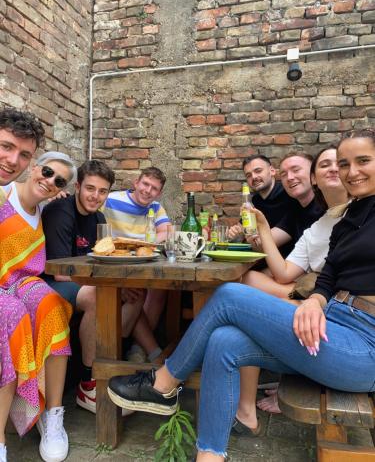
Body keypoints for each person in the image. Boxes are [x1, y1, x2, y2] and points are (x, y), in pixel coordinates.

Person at [107, 129, 375, 462]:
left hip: (366, 346)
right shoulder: (346, 218)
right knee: (224, 340)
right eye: (345, 163)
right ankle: (210, 456)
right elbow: (331, 273)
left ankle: (163, 382)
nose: (351, 172)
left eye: (363, 161)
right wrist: (318, 301)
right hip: (333, 320)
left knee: (230, 293)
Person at [241, 146, 349, 415]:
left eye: (339, 163)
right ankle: (248, 406)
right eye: (325, 165)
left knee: (237, 307)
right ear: (316, 178)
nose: (290, 177)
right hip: (316, 292)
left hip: (342, 308)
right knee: (245, 286)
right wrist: (262, 229)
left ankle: (169, 380)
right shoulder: (316, 223)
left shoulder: (361, 213)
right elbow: (285, 271)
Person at [0, 151, 76, 462]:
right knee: (12, 315)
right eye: (46, 172)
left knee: (53, 307)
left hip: (21, 283)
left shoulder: (43, 209)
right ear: (33, 168)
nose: (49, 182)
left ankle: (52, 413)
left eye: (58, 181)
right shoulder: (3, 194)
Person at [41, 160, 115, 414]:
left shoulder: (99, 218)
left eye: (102, 191)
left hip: (80, 282)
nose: (96, 196)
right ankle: (88, 383)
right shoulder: (60, 211)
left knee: (129, 295)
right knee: (97, 295)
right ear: (78, 186)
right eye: (90, 189)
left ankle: (113, 366)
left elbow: (104, 261)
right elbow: (61, 274)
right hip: (49, 283)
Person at [103, 167, 171, 363]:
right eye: (145, 184)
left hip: (141, 262)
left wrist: (140, 244)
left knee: (160, 288)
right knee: (136, 291)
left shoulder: (156, 208)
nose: (148, 190)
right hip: (113, 263)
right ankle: (149, 351)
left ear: (159, 193)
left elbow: (166, 231)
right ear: (136, 183)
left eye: (154, 188)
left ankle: (138, 349)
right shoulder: (112, 199)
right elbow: (86, 206)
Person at [227, 155, 295, 255]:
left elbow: (264, 243)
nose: (253, 177)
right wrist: (235, 233)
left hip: (287, 261)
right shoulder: (254, 200)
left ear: (272, 171)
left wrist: (250, 236)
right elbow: (241, 230)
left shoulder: (288, 195)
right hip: (260, 259)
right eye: (248, 175)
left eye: (258, 171)